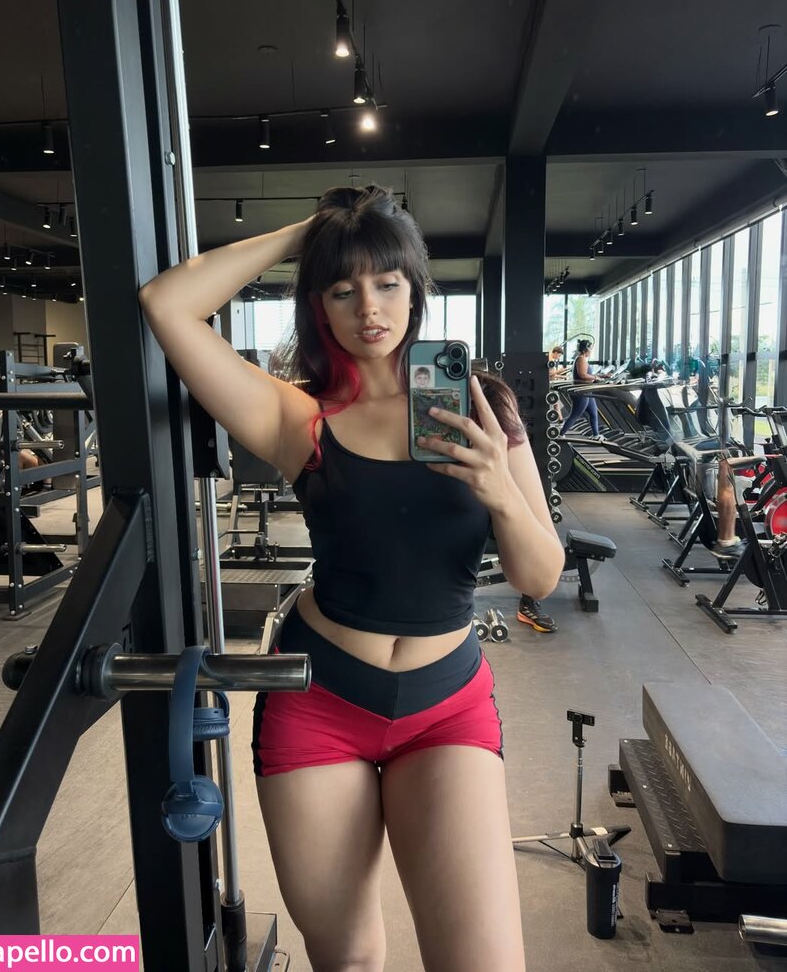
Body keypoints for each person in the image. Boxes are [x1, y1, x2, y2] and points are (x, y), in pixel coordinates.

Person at [140, 184, 564, 972]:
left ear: (416, 290)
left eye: (388, 282)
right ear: (319, 306)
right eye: (343, 288)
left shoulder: (484, 407)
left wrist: (500, 490)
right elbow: (167, 304)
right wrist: (319, 230)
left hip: (446, 706)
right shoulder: (298, 418)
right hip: (319, 701)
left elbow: (538, 575)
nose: (369, 306)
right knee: (350, 960)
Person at [560, 339, 602, 438]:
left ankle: (596, 435)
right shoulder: (581, 359)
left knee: (593, 413)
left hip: (587, 391)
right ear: (586, 349)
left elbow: (587, 374)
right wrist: (595, 378)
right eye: (590, 349)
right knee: (575, 415)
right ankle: (560, 434)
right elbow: (582, 375)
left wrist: (602, 376)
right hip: (581, 392)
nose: (591, 351)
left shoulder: (582, 359)